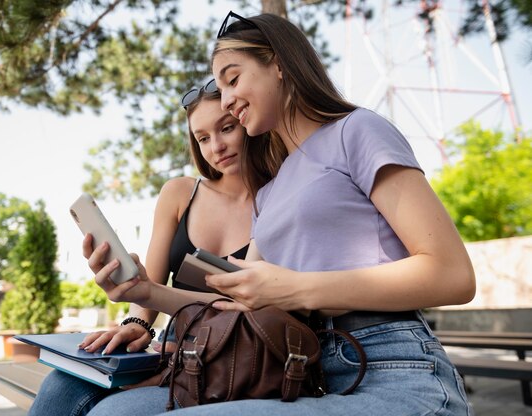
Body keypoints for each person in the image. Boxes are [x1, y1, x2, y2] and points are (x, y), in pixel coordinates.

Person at [37, 12, 476, 416]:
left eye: (232, 79)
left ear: (279, 63)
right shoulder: (274, 190)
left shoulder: (356, 130)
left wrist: (298, 289)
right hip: (307, 372)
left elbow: (453, 275)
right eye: (220, 88)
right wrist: (144, 292)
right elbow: (236, 302)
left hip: (392, 365)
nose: (227, 100)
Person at [29, 80, 286, 415]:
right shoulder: (180, 193)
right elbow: (148, 286)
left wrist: (147, 299)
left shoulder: (278, 199)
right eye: (203, 138)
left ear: (247, 122)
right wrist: (136, 326)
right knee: (59, 386)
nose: (216, 147)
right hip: (167, 346)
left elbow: (246, 304)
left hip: (228, 359)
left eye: (227, 128)